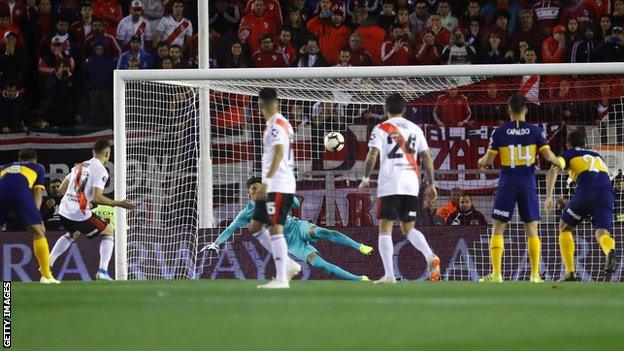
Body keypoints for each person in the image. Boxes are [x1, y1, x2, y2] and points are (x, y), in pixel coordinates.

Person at [201, 177, 372, 281]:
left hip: (296, 226)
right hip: (290, 243)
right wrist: (216, 243)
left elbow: (296, 204)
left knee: (324, 232)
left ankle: (360, 247)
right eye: (253, 189)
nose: (257, 190)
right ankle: (359, 280)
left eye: (259, 187)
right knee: (322, 266)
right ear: (248, 193)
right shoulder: (246, 213)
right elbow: (231, 229)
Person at [477, 94, 563, 283]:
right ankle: (534, 275)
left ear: (508, 110)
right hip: (527, 184)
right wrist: (559, 162)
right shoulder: (534, 131)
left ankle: (497, 275)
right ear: (525, 109)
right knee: (532, 229)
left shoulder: (499, 132)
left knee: (498, 228)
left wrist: (480, 161)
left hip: (507, 183)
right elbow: (548, 156)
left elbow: (489, 161)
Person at [359, 93, 440, 284]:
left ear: (386, 110)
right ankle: (430, 256)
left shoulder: (381, 128)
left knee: (385, 227)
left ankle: (389, 275)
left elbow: (372, 155)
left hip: (390, 182)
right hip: (411, 183)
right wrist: (431, 184)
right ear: (404, 110)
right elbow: (427, 158)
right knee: (408, 227)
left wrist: (365, 178)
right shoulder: (415, 129)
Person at [49, 139, 136, 281]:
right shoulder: (101, 170)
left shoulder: (79, 166)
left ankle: (47, 263)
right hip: (79, 213)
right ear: (108, 153)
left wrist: (77, 197)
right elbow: (97, 198)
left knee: (73, 233)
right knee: (108, 231)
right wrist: (120, 203)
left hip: (64, 211)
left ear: (92, 152)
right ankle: (102, 271)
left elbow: (61, 191)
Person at [545, 129, 618, 281]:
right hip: (607, 192)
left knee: (565, 226)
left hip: (587, 191)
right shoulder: (597, 155)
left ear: (567, 144)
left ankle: (570, 272)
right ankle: (610, 250)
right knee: (602, 232)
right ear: (585, 143)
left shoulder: (569, 154)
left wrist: (549, 196)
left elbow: (554, 169)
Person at [250, 88, 296, 289]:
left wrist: (266, 182)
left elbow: (278, 152)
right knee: (256, 227)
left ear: (260, 105)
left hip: (278, 183)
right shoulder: (278, 123)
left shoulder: (277, 125)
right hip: (275, 183)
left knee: (276, 228)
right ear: (277, 102)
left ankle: (281, 279)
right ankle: (289, 264)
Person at [0, 149, 59, 283]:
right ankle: (46, 276)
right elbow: (38, 191)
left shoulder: (5, 167)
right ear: (35, 159)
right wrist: (36, 216)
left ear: (19, 159)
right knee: (39, 231)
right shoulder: (38, 167)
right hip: (20, 195)